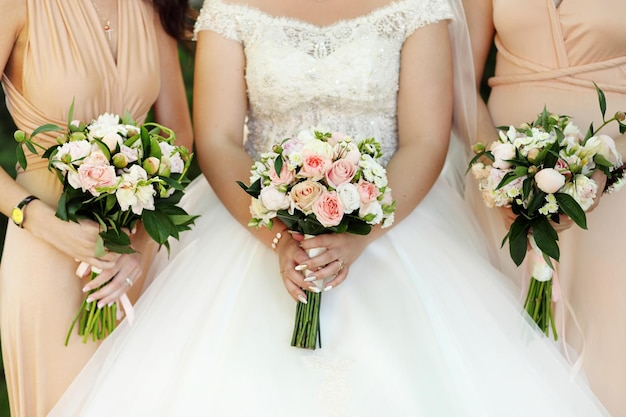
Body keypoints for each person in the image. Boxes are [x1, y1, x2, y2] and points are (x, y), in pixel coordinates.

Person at [47, 0, 609, 415]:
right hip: (253, 220)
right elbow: (217, 139)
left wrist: (358, 237)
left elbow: (425, 140)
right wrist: (277, 236)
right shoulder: (229, 8)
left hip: (395, 220)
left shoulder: (420, 7)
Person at [0, 0, 194, 416]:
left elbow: (179, 133)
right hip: (46, 248)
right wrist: (47, 224)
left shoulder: (151, 6)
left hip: (137, 249)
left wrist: (137, 239)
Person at [463, 0, 626, 414]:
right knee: (499, 330)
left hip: (612, 172)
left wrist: (607, 168)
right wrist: (494, 174)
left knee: (606, 327)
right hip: (500, 169)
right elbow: (464, 75)